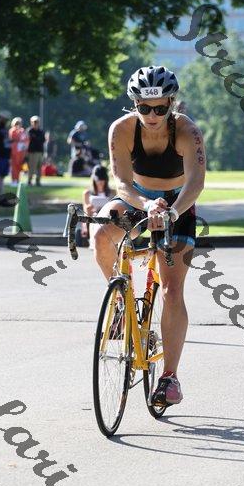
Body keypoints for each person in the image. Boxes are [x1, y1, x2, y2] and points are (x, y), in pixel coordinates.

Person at [93, 65, 206, 406]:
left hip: (177, 204)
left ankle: (169, 378)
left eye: (160, 108)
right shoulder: (121, 130)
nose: (152, 115)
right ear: (135, 104)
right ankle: (120, 303)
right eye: (144, 107)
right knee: (101, 233)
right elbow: (122, 183)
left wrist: (172, 211)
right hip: (137, 198)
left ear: (171, 103)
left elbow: (195, 183)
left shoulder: (187, 131)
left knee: (172, 287)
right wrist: (146, 204)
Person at [76, 165, 116, 247]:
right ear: (94, 180)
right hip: (93, 217)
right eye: (98, 180)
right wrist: (89, 209)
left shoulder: (112, 193)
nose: (100, 183)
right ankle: (93, 241)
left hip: (107, 217)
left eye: (102, 180)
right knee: (94, 218)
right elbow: (85, 212)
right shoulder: (87, 193)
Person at [26, 115, 45, 186]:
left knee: (39, 167)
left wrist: (36, 139)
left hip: (40, 151)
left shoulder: (41, 131)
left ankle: (38, 181)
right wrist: (37, 139)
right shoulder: (29, 131)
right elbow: (32, 140)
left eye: (37, 122)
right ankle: (29, 181)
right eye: (34, 122)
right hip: (32, 152)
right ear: (31, 122)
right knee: (32, 167)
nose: (36, 123)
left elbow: (42, 140)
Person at [9, 117, 28, 185]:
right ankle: (14, 180)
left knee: (19, 166)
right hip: (14, 151)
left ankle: (17, 180)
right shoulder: (12, 130)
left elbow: (26, 140)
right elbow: (13, 137)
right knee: (14, 166)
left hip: (21, 152)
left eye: (19, 123)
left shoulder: (23, 131)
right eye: (16, 123)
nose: (18, 124)